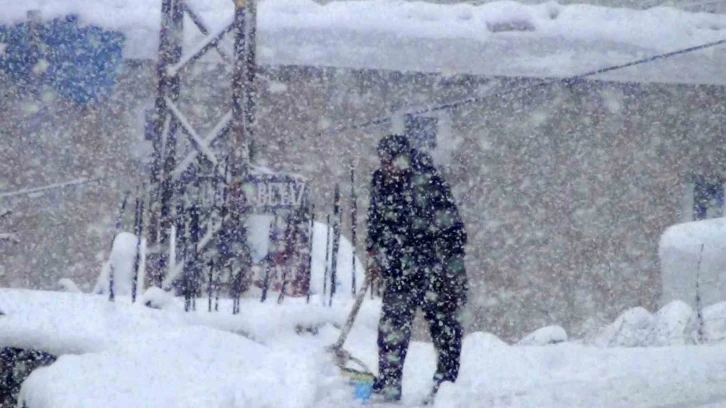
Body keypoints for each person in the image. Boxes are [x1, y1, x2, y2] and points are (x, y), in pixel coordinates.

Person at [365, 134, 469, 403]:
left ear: (405, 159)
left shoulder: (428, 182)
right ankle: (388, 387)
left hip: (437, 273)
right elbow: (375, 221)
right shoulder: (380, 182)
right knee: (392, 329)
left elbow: (454, 231)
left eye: (392, 162)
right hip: (400, 272)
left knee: (444, 332)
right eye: (384, 161)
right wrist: (373, 248)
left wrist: (449, 272)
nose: (388, 168)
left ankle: (444, 389)